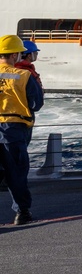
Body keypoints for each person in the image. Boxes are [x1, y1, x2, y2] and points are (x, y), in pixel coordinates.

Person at [0, 35, 44, 225]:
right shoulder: (23, 76)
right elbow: (36, 104)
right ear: (15, 55)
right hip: (13, 129)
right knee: (16, 173)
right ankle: (22, 212)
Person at [14, 40, 43, 143]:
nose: (36, 55)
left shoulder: (14, 69)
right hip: (24, 115)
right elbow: (36, 101)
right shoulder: (27, 72)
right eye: (35, 53)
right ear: (29, 55)